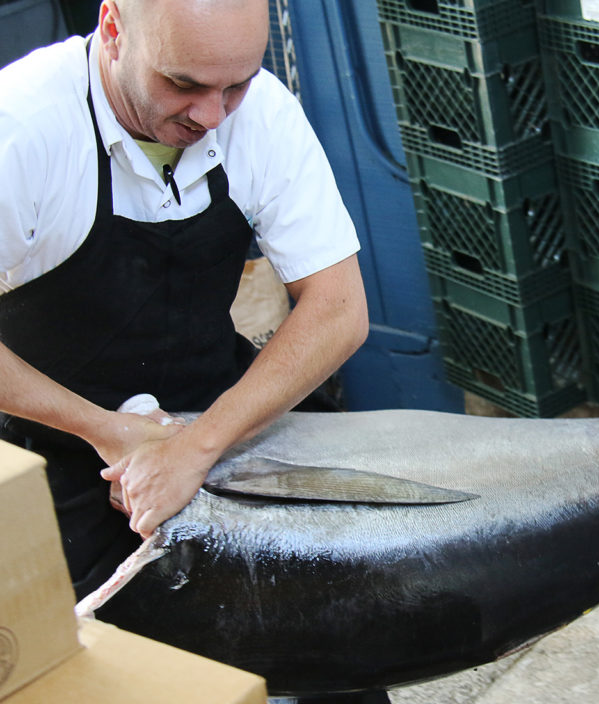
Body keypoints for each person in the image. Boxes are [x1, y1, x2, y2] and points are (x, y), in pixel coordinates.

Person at [0, 0, 369, 606]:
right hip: (57, 441)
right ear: (113, 31)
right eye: (183, 84)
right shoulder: (21, 126)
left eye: (236, 85)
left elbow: (339, 308)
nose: (212, 115)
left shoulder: (263, 110)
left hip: (222, 417)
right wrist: (108, 431)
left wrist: (196, 448)